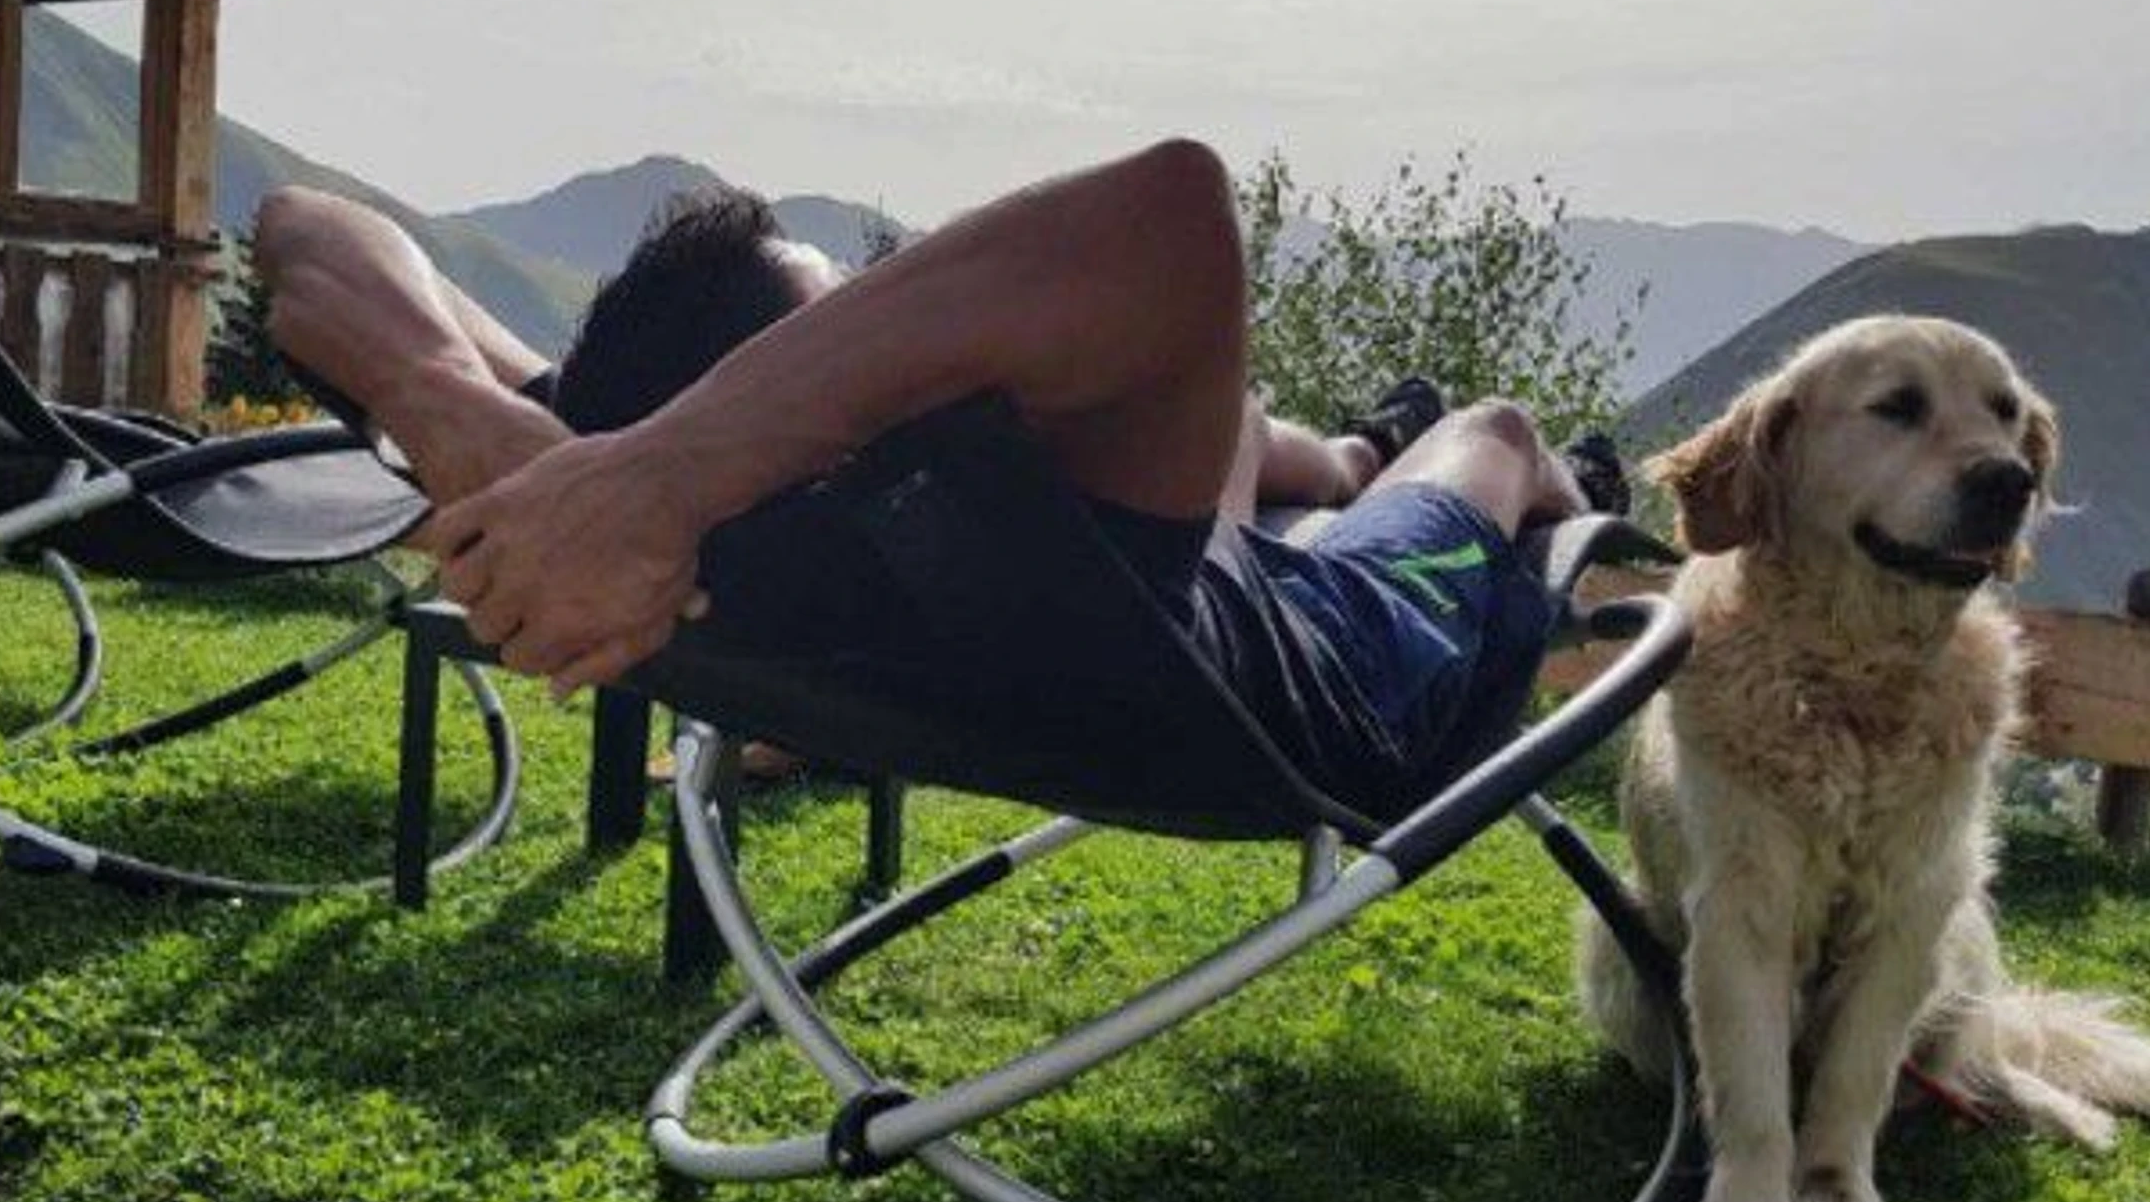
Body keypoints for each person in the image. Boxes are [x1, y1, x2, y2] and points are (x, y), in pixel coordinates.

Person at [256, 140, 1619, 808]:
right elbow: (1173, 210)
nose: (880, 339)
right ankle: (1414, 453)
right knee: (1494, 433)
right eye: (844, 319)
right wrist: (659, 478)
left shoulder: (611, 480)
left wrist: (453, 404)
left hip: (1172, 576)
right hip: (1329, 670)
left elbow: (303, 225)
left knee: (1247, 442)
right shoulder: (975, 519)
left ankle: (1354, 451)